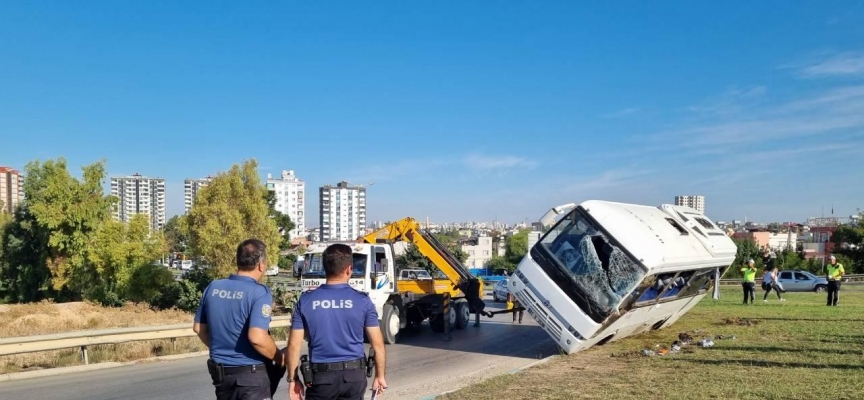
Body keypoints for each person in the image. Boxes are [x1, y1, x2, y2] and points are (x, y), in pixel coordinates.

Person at [286, 243, 387, 400]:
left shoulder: (305, 301)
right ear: (349, 269)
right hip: (354, 378)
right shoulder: (363, 301)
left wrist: (293, 379)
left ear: (325, 268)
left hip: (321, 379)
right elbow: (378, 345)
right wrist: (379, 376)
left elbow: (294, 345)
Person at [193, 239, 286, 400]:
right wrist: (280, 358)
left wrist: (224, 349)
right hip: (252, 377)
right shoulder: (259, 292)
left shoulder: (213, 287)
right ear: (261, 265)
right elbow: (257, 338)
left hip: (222, 377)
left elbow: (198, 328)